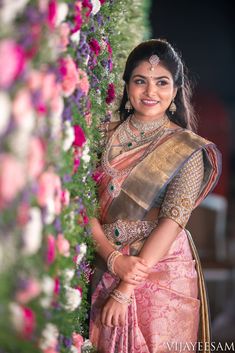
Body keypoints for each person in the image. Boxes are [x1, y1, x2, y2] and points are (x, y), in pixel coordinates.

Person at [89, 39, 222, 353]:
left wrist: (125, 288)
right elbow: (82, 206)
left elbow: (173, 221)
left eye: (162, 83)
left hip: (162, 272)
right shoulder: (100, 136)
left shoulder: (187, 149)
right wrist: (112, 258)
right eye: (141, 81)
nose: (151, 92)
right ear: (127, 85)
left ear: (175, 91)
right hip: (104, 262)